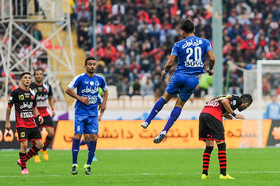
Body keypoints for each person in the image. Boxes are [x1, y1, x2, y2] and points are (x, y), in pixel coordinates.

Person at [141, 19, 215, 143]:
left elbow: (170, 62)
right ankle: (165, 130)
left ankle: (147, 121)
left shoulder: (179, 44)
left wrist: (165, 71)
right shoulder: (205, 42)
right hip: (193, 80)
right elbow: (212, 58)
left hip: (179, 76)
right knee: (179, 105)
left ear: (183, 31)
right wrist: (209, 69)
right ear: (194, 30)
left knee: (164, 98)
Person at [65, 57, 108, 175]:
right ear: (85, 66)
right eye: (90, 64)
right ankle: (74, 164)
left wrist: (104, 103)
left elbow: (106, 90)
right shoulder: (80, 78)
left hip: (93, 114)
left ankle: (88, 165)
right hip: (80, 113)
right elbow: (68, 90)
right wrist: (80, 98)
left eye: (94, 64)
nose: (92, 66)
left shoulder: (100, 79)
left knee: (94, 137)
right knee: (77, 135)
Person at [199, 94, 253, 179]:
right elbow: (224, 102)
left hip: (203, 114)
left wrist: (224, 114)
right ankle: (223, 174)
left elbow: (208, 102)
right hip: (213, 116)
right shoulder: (238, 100)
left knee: (209, 146)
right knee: (221, 144)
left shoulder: (224, 96)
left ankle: (204, 174)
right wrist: (234, 115)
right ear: (246, 104)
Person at [5, 72, 44, 174]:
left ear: (31, 80)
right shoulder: (16, 92)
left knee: (40, 144)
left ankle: (23, 160)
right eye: (25, 78)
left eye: (29, 78)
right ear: (21, 80)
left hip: (32, 123)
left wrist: (39, 116)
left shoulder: (32, 93)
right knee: (24, 144)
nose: (27, 79)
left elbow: (34, 107)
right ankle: (24, 168)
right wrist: (8, 122)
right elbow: (9, 107)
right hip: (21, 123)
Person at [30, 68, 55, 162]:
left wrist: (52, 109)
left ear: (43, 76)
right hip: (35, 113)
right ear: (34, 76)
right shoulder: (31, 87)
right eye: (37, 74)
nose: (39, 76)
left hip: (45, 112)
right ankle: (35, 153)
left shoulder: (47, 86)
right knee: (34, 135)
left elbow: (50, 98)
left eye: (40, 74)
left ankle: (44, 149)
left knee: (51, 133)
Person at [79, 94, 104, 162]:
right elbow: (75, 107)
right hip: (83, 119)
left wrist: (100, 116)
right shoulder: (81, 93)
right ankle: (91, 154)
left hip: (93, 119)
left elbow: (103, 105)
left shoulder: (97, 95)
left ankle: (78, 145)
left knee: (92, 138)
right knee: (87, 137)